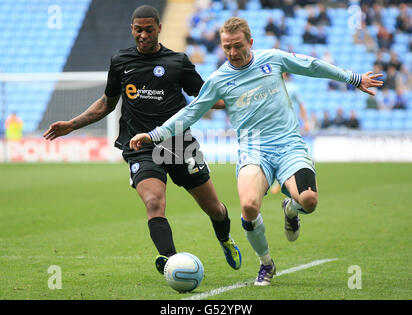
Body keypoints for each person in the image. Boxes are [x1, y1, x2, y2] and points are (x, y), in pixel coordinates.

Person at [129, 17, 383, 286]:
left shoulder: (272, 59)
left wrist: (353, 78)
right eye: (227, 47)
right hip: (253, 150)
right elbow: (191, 112)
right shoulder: (218, 79)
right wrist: (154, 135)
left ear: (250, 41)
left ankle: (291, 210)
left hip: (288, 145)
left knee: (309, 200)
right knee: (249, 206)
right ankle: (266, 264)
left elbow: (311, 65)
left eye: (238, 46)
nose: (233, 53)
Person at [43, 5, 241, 275]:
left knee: (215, 209)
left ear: (159, 28)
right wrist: (72, 124)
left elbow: (206, 98)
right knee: (154, 203)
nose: (144, 35)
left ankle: (225, 239)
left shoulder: (178, 62)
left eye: (149, 30)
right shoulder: (120, 61)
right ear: (132, 30)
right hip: (140, 146)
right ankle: (172, 261)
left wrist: (239, 101)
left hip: (178, 144)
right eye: (139, 30)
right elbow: (106, 104)